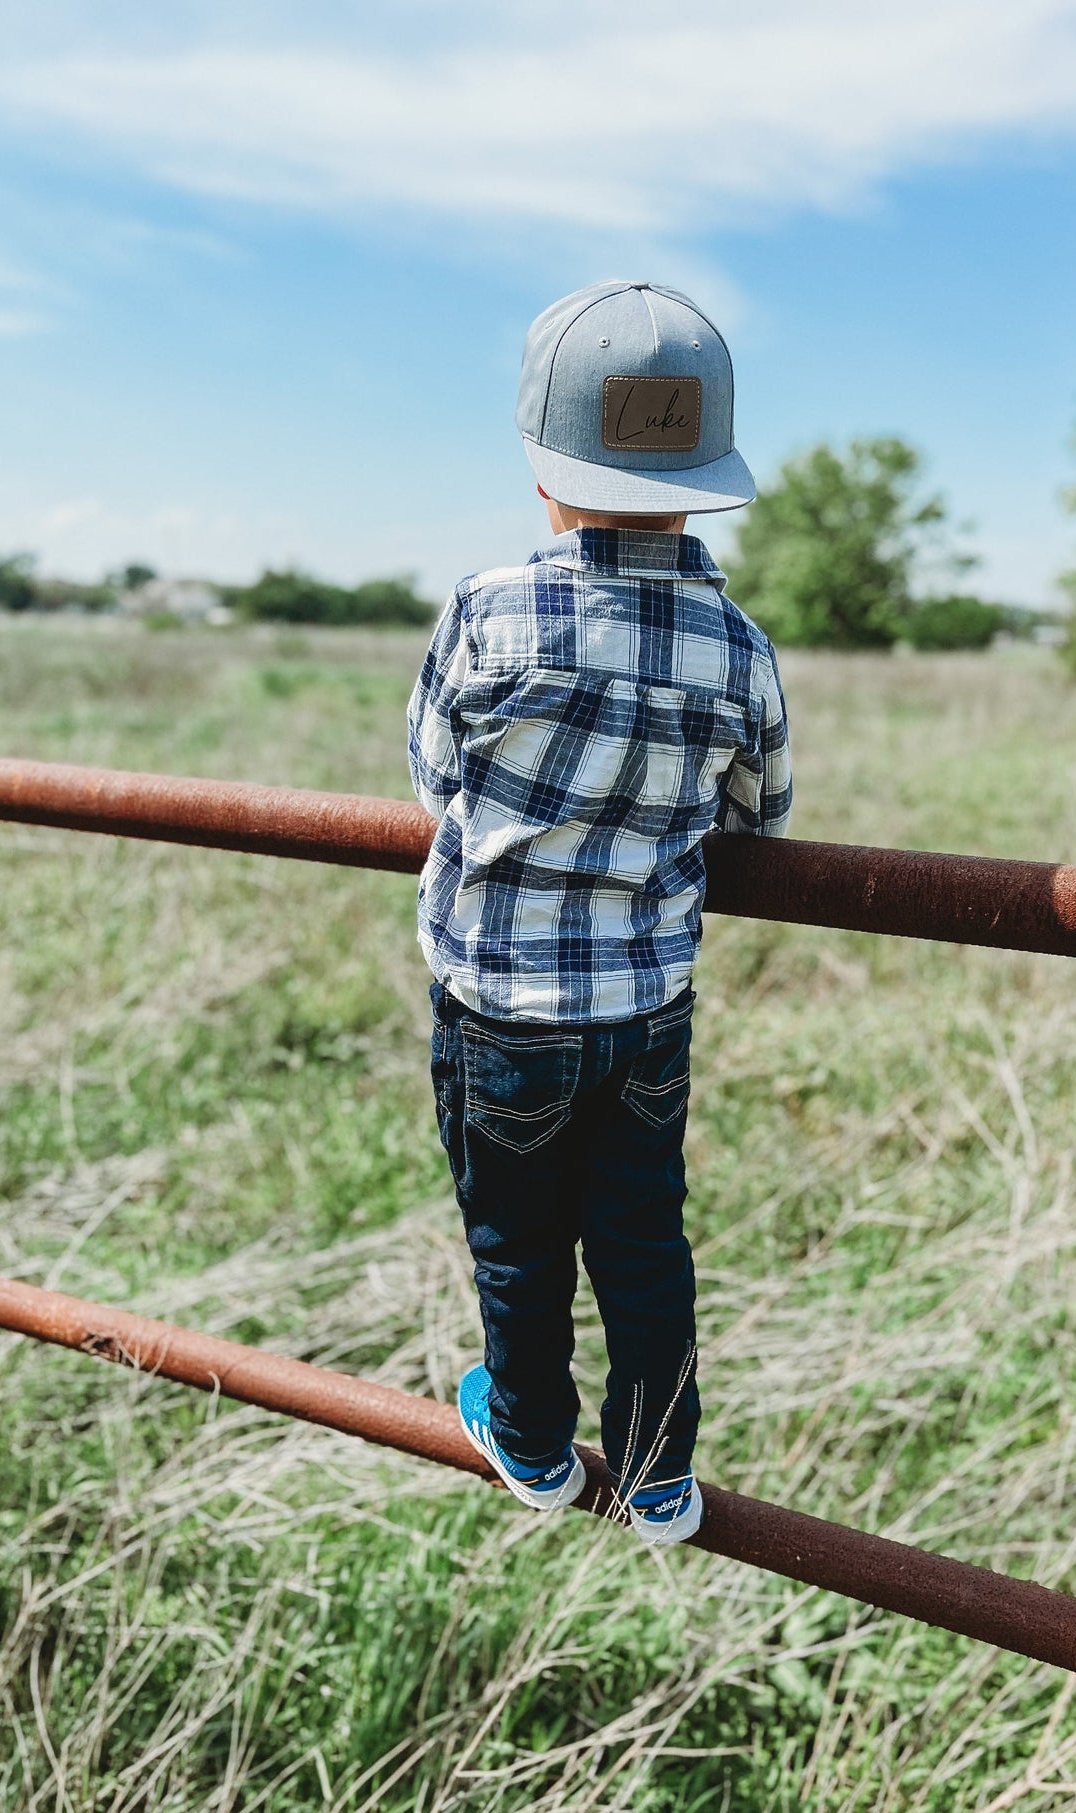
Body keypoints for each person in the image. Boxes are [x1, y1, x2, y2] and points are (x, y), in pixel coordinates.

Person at [408, 281, 792, 1545]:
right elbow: (762, 812)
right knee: (641, 1242)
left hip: (498, 1010)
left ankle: (527, 1440)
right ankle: (658, 1471)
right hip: (644, 1010)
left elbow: (431, 770)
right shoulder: (737, 646)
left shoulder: (485, 608)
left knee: (516, 1242)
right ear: (703, 481)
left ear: (541, 468)